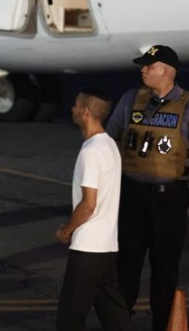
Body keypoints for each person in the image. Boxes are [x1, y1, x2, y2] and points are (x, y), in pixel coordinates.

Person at [105, 45, 189, 331]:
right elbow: (110, 140)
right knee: (126, 266)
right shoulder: (131, 99)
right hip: (132, 195)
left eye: (149, 66)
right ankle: (118, 324)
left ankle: (162, 325)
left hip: (170, 199)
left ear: (166, 71)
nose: (142, 70)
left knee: (165, 269)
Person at [56, 88, 130, 331]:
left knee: (70, 316)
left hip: (88, 247)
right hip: (107, 246)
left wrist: (67, 230)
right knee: (113, 314)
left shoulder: (90, 152)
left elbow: (88, 204)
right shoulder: (110, 145)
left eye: (76, 105)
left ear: (86, 112)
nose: (72, 109)